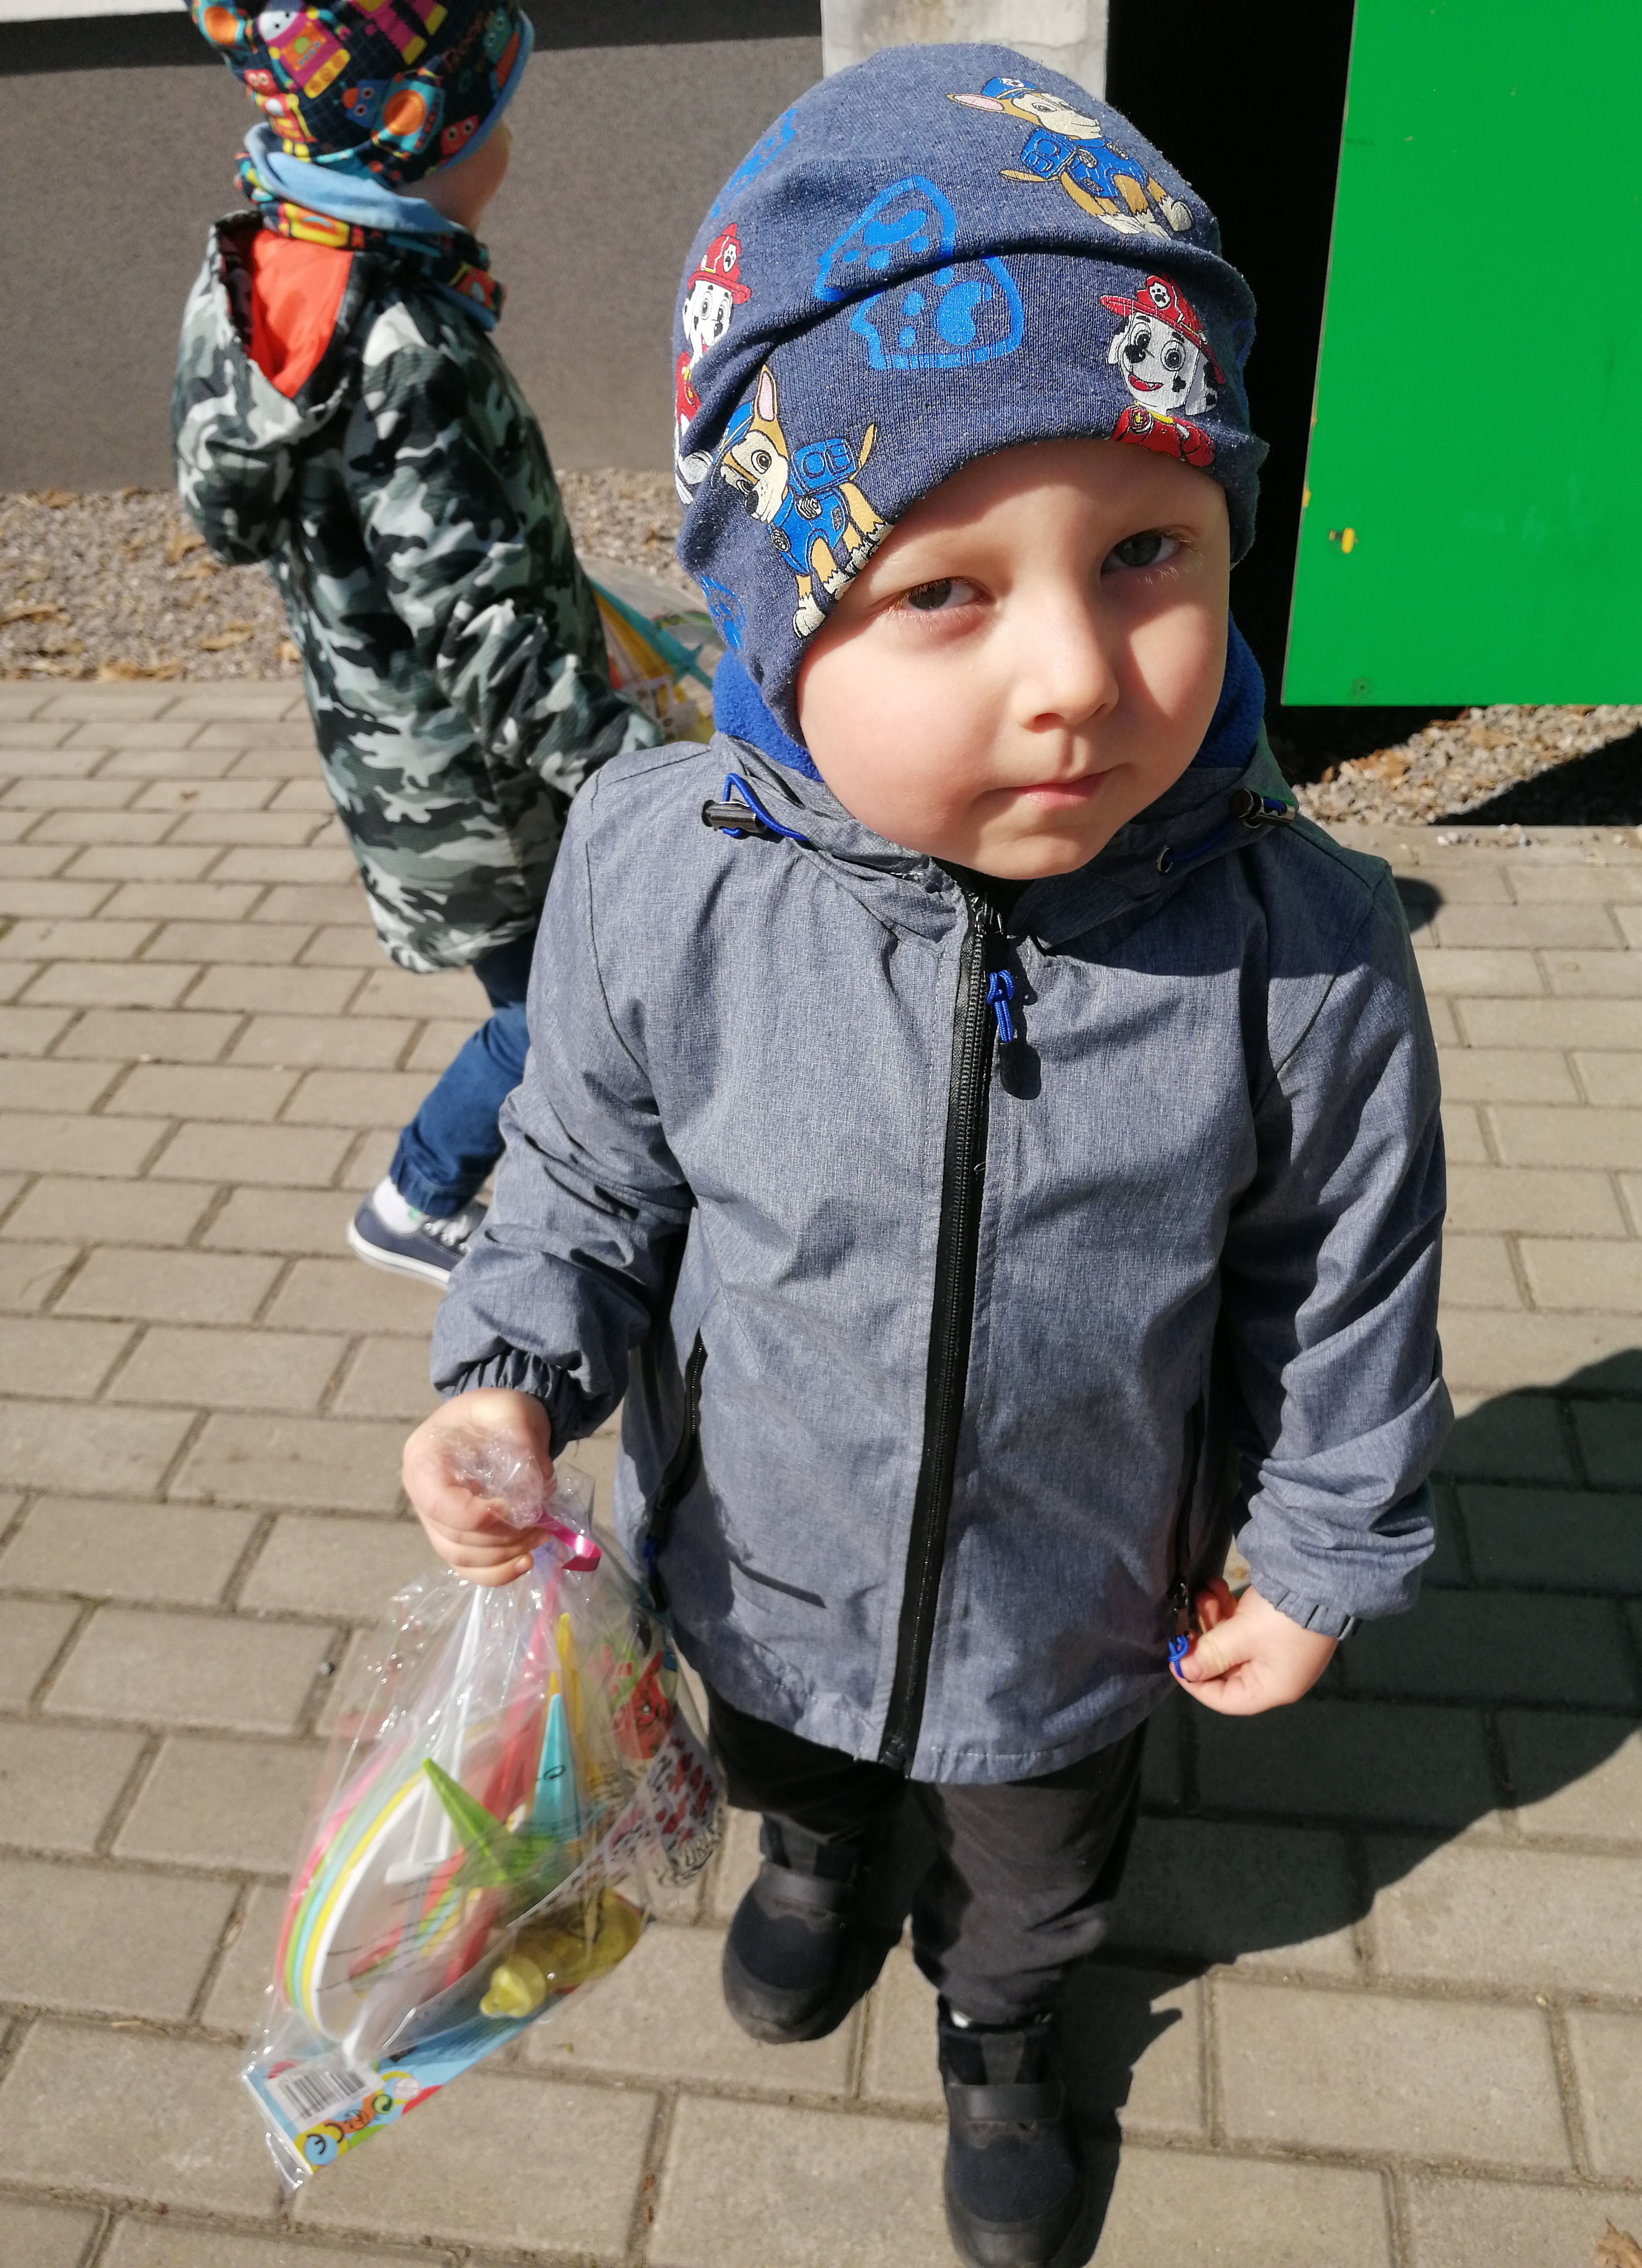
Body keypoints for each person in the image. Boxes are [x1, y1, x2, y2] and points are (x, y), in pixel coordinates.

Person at [404, 46, 1450, 2268]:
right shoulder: (664, 873)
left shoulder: (1299, 946)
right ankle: (812, 1858)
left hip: (1077, 1601)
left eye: (1150, 550)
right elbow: (584, 1170)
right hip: (759, 1559)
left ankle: (1001, 2029)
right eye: (948, 589)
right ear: (778, 609)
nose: (1076, 675)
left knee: (1042, 1868)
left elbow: (1343, 1286)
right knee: (788, 1752)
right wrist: (508, 1377)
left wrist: (1319, 1547)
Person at [173, 0, 657, 1286]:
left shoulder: (270, 271)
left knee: (553, 994)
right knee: (558, 1012)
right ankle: (419, 1194)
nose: (510, 144)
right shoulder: (401, 344)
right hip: (479, 786)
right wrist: (640, 771)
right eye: (494, 118)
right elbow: (478, 626)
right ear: (423, 142)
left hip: (399, 760)